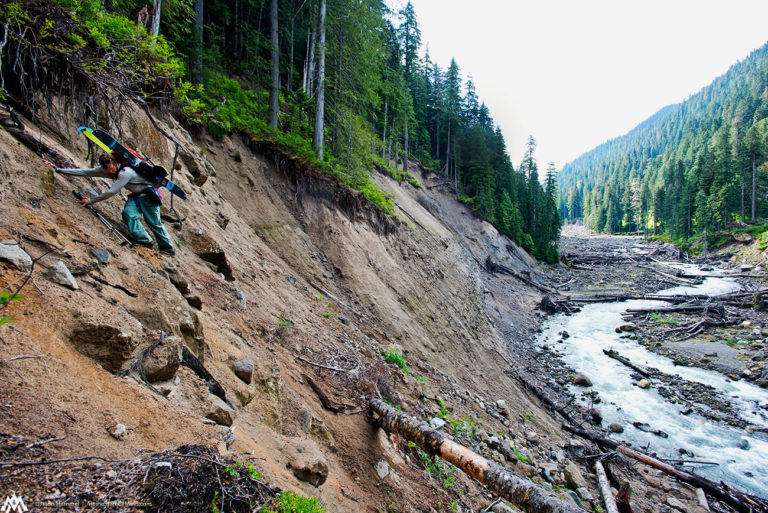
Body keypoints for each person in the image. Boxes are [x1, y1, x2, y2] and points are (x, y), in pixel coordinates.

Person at [45, 155, 175, 256]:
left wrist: (90, 200)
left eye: (111, 167)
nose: (110, 171)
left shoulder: (125, 172)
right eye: (107, 169)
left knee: (154, 222)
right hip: (136, 196)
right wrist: (59, 170)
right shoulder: (106, 170)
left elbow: (112, 191)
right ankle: (145, 240)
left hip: (150, 196)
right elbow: (85, 172)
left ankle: (167, 249)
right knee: (128, 214)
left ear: (114, 163)